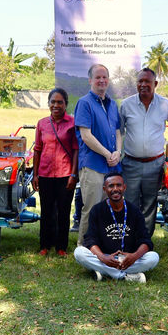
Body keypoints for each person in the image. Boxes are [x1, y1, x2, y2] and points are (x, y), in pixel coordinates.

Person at [120, 68, 168, 235]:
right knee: (130, 204)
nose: (143, 85)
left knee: (149, 204)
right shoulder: (126, 105)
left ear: (155, 84)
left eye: (147, 81)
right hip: (130, 163)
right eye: (140, 81)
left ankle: (145, 243)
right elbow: (118, 131)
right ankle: (130, 240)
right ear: (136, 84)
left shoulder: (164, 104)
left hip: (154, 164)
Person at [74, 172, 159, 282]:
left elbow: (146, 241)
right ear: (105, 189)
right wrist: (103, 258)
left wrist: (134, 257)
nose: (115, 189)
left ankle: (105, 272)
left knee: (153, 257)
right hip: (105, 257)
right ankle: (124, 276)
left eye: (118, 185)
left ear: (124, 187)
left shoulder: (134, 211)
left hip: (128, 259)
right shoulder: (97, 210)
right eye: (111, 186)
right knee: (79, 253)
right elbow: (90, 239)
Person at [74, 64, 123, 245]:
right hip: (93, 165)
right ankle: (84, 248)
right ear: (90, 80)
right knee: (92, 208)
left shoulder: (112, 104)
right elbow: (86, 136)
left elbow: (118, 131)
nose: (102, 80)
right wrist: (108, 154)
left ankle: (103, 246)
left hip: (112, 167)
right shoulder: (84, 103)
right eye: (98, 77)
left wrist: (117, 152)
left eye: (105, 77)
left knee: (109, 208)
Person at [32, 88, 79, 256]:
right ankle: (44, 245)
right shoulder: (42, 123)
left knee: (63, 211)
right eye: (53, 102)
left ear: (66, 104)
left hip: (65, 174)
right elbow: (37, 149)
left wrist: (73, 175)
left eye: (60, 102)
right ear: (48, 104)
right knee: (46, 211)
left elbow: (76, 150)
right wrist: (35, 174)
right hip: (45, 174)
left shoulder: (73, 123)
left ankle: (61, 247)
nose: (56, 105)